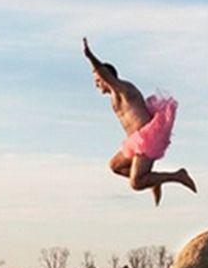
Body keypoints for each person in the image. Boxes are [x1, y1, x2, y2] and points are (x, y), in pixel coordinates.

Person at [83, 37, 196, 206]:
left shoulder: (122, 89)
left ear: (106, 78)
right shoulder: (115, 96)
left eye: (98, 81)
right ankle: (153, 180)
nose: (97, 85)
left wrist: (89, 56)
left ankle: (177, 175)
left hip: (149, 137)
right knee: (116, 165)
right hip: (136, 141)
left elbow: (103, 72)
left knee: (136, 183)